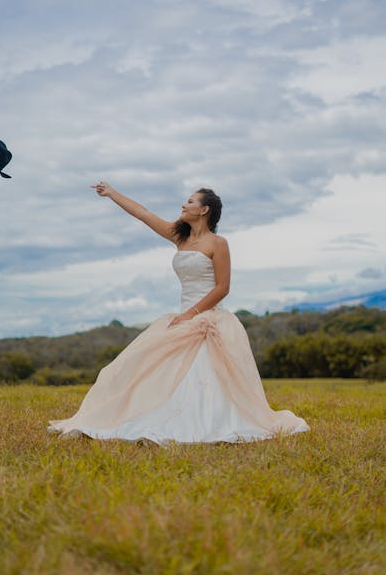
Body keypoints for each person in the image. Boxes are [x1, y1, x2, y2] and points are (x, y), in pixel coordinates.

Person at [48, 183, 309, 444]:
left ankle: (211, 423)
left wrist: (192, 314)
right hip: (183, 315)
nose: (183, 205)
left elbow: (223, 287)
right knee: (146, 368)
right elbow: (142, 213)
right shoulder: (179, 237)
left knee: (205, 373)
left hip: (208, 317)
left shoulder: (218, 243)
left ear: (204, 209)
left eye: (190, 202)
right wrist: (111, 193)